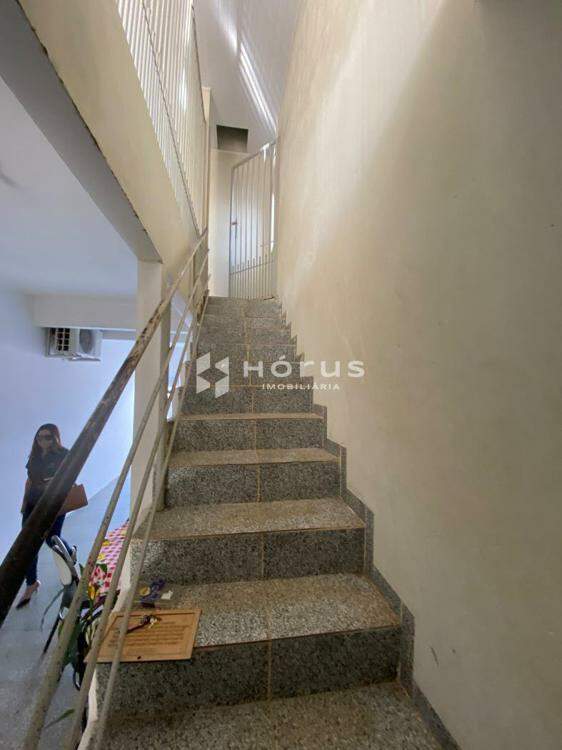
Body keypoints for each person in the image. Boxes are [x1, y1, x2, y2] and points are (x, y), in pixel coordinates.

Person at [17, 423, 76, 608]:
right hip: (33, 503)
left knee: (52, 538)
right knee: (27, 542)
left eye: (47, 437)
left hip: (54, 500)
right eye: (39, 437)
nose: (43, 441)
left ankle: (69, 553)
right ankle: (31, 583)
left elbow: (70, 474)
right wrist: (24, 502)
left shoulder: (63, 454)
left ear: (55, 438)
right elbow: (29, 481)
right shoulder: (34, 457)